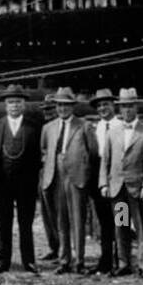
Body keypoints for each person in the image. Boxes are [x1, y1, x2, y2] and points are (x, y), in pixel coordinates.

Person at [99, 88, 143, 277]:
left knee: (141, 228)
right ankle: (124, 263)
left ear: (136, 107)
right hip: (118, 189)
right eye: (124, 107)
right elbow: (105, 161)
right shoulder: (112, 132)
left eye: (130, 106)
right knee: (121, 226)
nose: (127, 110)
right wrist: (104, 184)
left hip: (137, 189)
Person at [0, 85, 42, 274]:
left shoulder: (33, 127)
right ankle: (2, 261)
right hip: (2, 183)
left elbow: (38, 155)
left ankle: (29, 261)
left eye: (18, 102)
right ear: (5, 106)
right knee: (4, 223)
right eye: (10, 102)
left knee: (26, 224)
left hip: (26, 184)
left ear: (24, 104)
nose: (14, 105)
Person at [40, 87, 96, 274]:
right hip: (56, 176)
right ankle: (64, 260)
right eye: (59, 105)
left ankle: (79, 261)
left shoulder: (84, 126)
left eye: (66, 105)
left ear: (72, 106)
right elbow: (44, 151)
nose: (62, 109)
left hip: (76, 177)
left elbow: (93, 153)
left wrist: (86, 175)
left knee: (78, 220)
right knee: (60, 220)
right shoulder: (48, 128)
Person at [86, 88, 120, 275]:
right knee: (104, 222)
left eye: (106, 104)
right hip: (99, 181)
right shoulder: (94, 128)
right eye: (99, 105)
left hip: (119, 181)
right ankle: (106, 260)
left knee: (121, 220)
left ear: (114, 105)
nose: (103, 108)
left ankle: (122, 261)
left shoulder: (122, 126)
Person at [36, 93, 62, 262]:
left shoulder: (63, 127)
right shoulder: (44, 128)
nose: (48, 113)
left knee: (61, 214)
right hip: (44, 174)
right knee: (47, 213)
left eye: (51, 109)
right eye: (46, 110)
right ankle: (54, 247)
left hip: (60, 176)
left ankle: (64, 250)